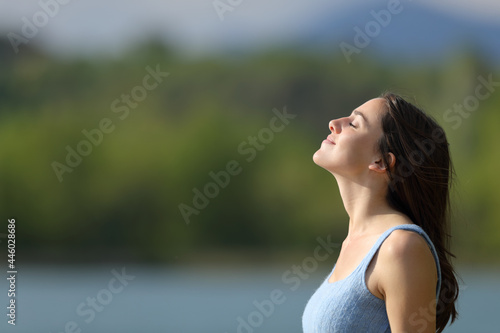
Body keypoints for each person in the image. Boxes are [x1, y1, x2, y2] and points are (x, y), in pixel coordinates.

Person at [302, 93, 459, 333]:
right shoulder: (354, 243)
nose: (334, 123)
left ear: (382, 161)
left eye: (354, 124)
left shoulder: (401, 247)